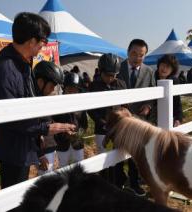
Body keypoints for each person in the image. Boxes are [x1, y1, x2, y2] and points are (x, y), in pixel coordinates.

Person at [0, 13, 76, 189]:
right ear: (32, 41)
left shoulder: (22, 63)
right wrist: (48, 128)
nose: (44, 45)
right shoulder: (6, 70)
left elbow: (27, 104)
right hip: (13, 148)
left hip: (22, 144)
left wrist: (37, 139)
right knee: (13, 195)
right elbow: (11, 117)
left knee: (19, 192)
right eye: (44, 41)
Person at [116, 39, 155, 197]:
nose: (137, 57)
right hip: (119, 118)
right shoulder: (118, 67)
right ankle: (118, 182)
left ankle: (134, 182)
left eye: (141, 55)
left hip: (139, 119)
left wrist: (148, 106)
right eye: (134, 53)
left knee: (136, 153)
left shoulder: (149, 71)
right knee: (117, 151)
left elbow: (153, 93)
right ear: (128, 52)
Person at [88, 53, 127, 184]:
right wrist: (101, 122)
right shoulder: (94, 86)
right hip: (102, 129)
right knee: (102, 157)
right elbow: (91, 109)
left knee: (118, 156)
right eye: (107, 75)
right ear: (100, 71)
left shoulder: (121, 84)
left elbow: (126, 105)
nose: (110, 78)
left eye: (113, 75)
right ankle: (104, 183)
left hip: (119, 128)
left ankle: (118, 182)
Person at [53, 72, 88, 168]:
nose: (72, 92)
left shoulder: (81, 105)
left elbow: (84, 125)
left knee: (79, 167)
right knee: (63, 167)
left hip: (77, 144)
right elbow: (53, 123)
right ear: (64, 89)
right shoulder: (57, 104)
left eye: (75, 90)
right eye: (70, 89)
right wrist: (64, 133)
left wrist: (77, 135)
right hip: (62, 144)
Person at [153, 54, 183, 127]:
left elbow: (177, 102)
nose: (164, 69)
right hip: (151, 115)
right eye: (163, 65)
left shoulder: (174, 81)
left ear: (172, 70)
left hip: (168, 115)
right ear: (159, 65)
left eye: (168, 67)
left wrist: (178, 119)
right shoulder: (151, 76)